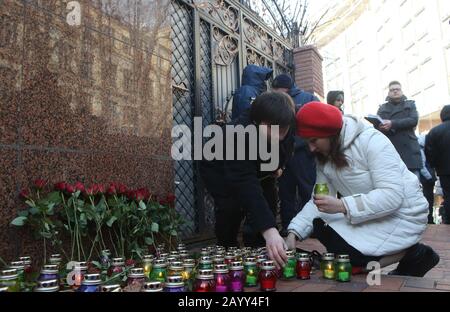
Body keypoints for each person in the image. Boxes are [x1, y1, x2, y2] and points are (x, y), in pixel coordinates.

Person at [285, 102, 439, 277]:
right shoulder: (325, 156)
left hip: (404, 213)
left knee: (348, 263)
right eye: (307, 142)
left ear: (330, 134)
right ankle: (381, 254)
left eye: (314, 141)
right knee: (320, 225)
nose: (311, 148)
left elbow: (392, 196)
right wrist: (293, 233)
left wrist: (343, 205)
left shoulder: (372, 141)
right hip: (369, 212)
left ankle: (413, 252)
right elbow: (318, 201)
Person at [200, 92, 296, 268]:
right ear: (258, 121)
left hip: (259, 166)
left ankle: (259, 247)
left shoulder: (286, 122)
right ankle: (226, 248)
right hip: (217, 166)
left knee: (269, 200)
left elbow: (285, 147)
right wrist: (270, 230)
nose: (279, 136)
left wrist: (277, 165)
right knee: (231, 206)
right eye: (273, 130)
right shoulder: (238, 133)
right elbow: (244, 182)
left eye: (284, 130)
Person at [272, 74, 318, 236]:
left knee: (307, 191)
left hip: (304, 155)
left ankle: (311, 228)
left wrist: (302, 143)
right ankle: (288, 228)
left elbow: (317, 124)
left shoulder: (308, 99)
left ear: (286, 89)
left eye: (278, 91)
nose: (277, 94)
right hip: (284, 155)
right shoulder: (276, 100)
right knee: (286, 193)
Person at [377, 81, 422, 177]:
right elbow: (377, 124)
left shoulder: (410, 104)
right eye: (392, 90)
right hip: (390, 150)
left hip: (409, 151)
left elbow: (413, 120)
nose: (395, 91)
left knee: (414, 185)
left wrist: (392, 123)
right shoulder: (382, 108)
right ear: (388, 93)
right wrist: (380, 126)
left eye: (397, 89)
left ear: (401, 91)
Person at [425, 105, 450, 224]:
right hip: (444, 169)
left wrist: (434, 165)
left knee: (448, 195)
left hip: (444, 170)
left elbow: (429, 152)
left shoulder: (434, 132)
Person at [418, 134, 436, 224]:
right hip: (426, 180)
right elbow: (422, 166)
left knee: (428, 198)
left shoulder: (420, 149)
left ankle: (429, 218)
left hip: (426, 179)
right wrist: (430, 177)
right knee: (428, 199)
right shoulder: (421, 150)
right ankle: (429, 219)